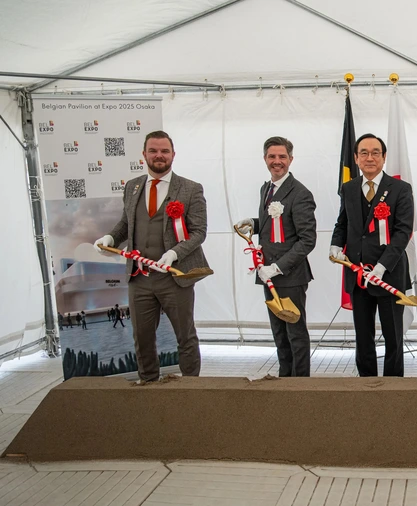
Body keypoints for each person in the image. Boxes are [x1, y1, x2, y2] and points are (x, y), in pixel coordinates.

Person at [93, 130, 209, 382]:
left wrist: (174, 253)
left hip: (174, 278)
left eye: (164, 151)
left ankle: (193, 388)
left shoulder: (190, 189)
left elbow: (199, 232)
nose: (159, 156)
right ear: (144, 154)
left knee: (185, 335)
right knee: (142, 337)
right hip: (139, 278)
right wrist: (111, 238)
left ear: (173, 155)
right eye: (154, 150)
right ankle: (147, 385)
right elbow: (126, 223)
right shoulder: (132, 187)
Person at [330, 133, 414, 377]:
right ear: (356, 158)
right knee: (363, 336)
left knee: (393, 337)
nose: (370, 157)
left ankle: (393, 386)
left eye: (375, 152)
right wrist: (336, 244)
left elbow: (403, 232)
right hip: (358, 277)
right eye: (364, 153)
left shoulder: (400, 189)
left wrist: (382, 266)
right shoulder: (348, 188)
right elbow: (342, 223)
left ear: (384, 157)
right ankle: (366, 386)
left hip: (390, 276)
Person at [234, 136, 317, 377]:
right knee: (279, 334)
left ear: (291, 159)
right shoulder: (267, 188)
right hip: (267, 274)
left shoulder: (301, 193)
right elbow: (278, 225)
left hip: (289, 276)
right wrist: (256, 223)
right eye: (272, 157)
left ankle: (299, 385)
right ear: (265, 159)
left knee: (295, 334)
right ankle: (284, 382)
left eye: (282, 157)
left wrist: (277, 267)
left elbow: (307, 240)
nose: (277, 161)